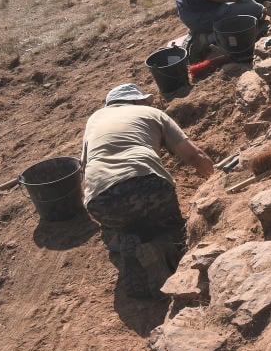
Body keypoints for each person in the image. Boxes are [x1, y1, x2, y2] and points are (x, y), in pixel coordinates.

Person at [81, 83, 214, 299]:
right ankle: (166, 247)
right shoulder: (151, 113)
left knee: (125, 227)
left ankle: (133, 244)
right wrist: (216, 180)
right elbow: (193, 155)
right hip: (149, 187)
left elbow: (85, 171)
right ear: (135, 101)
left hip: (101, 200)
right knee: (175, 230)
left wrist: (100, 215)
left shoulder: (94, 119)